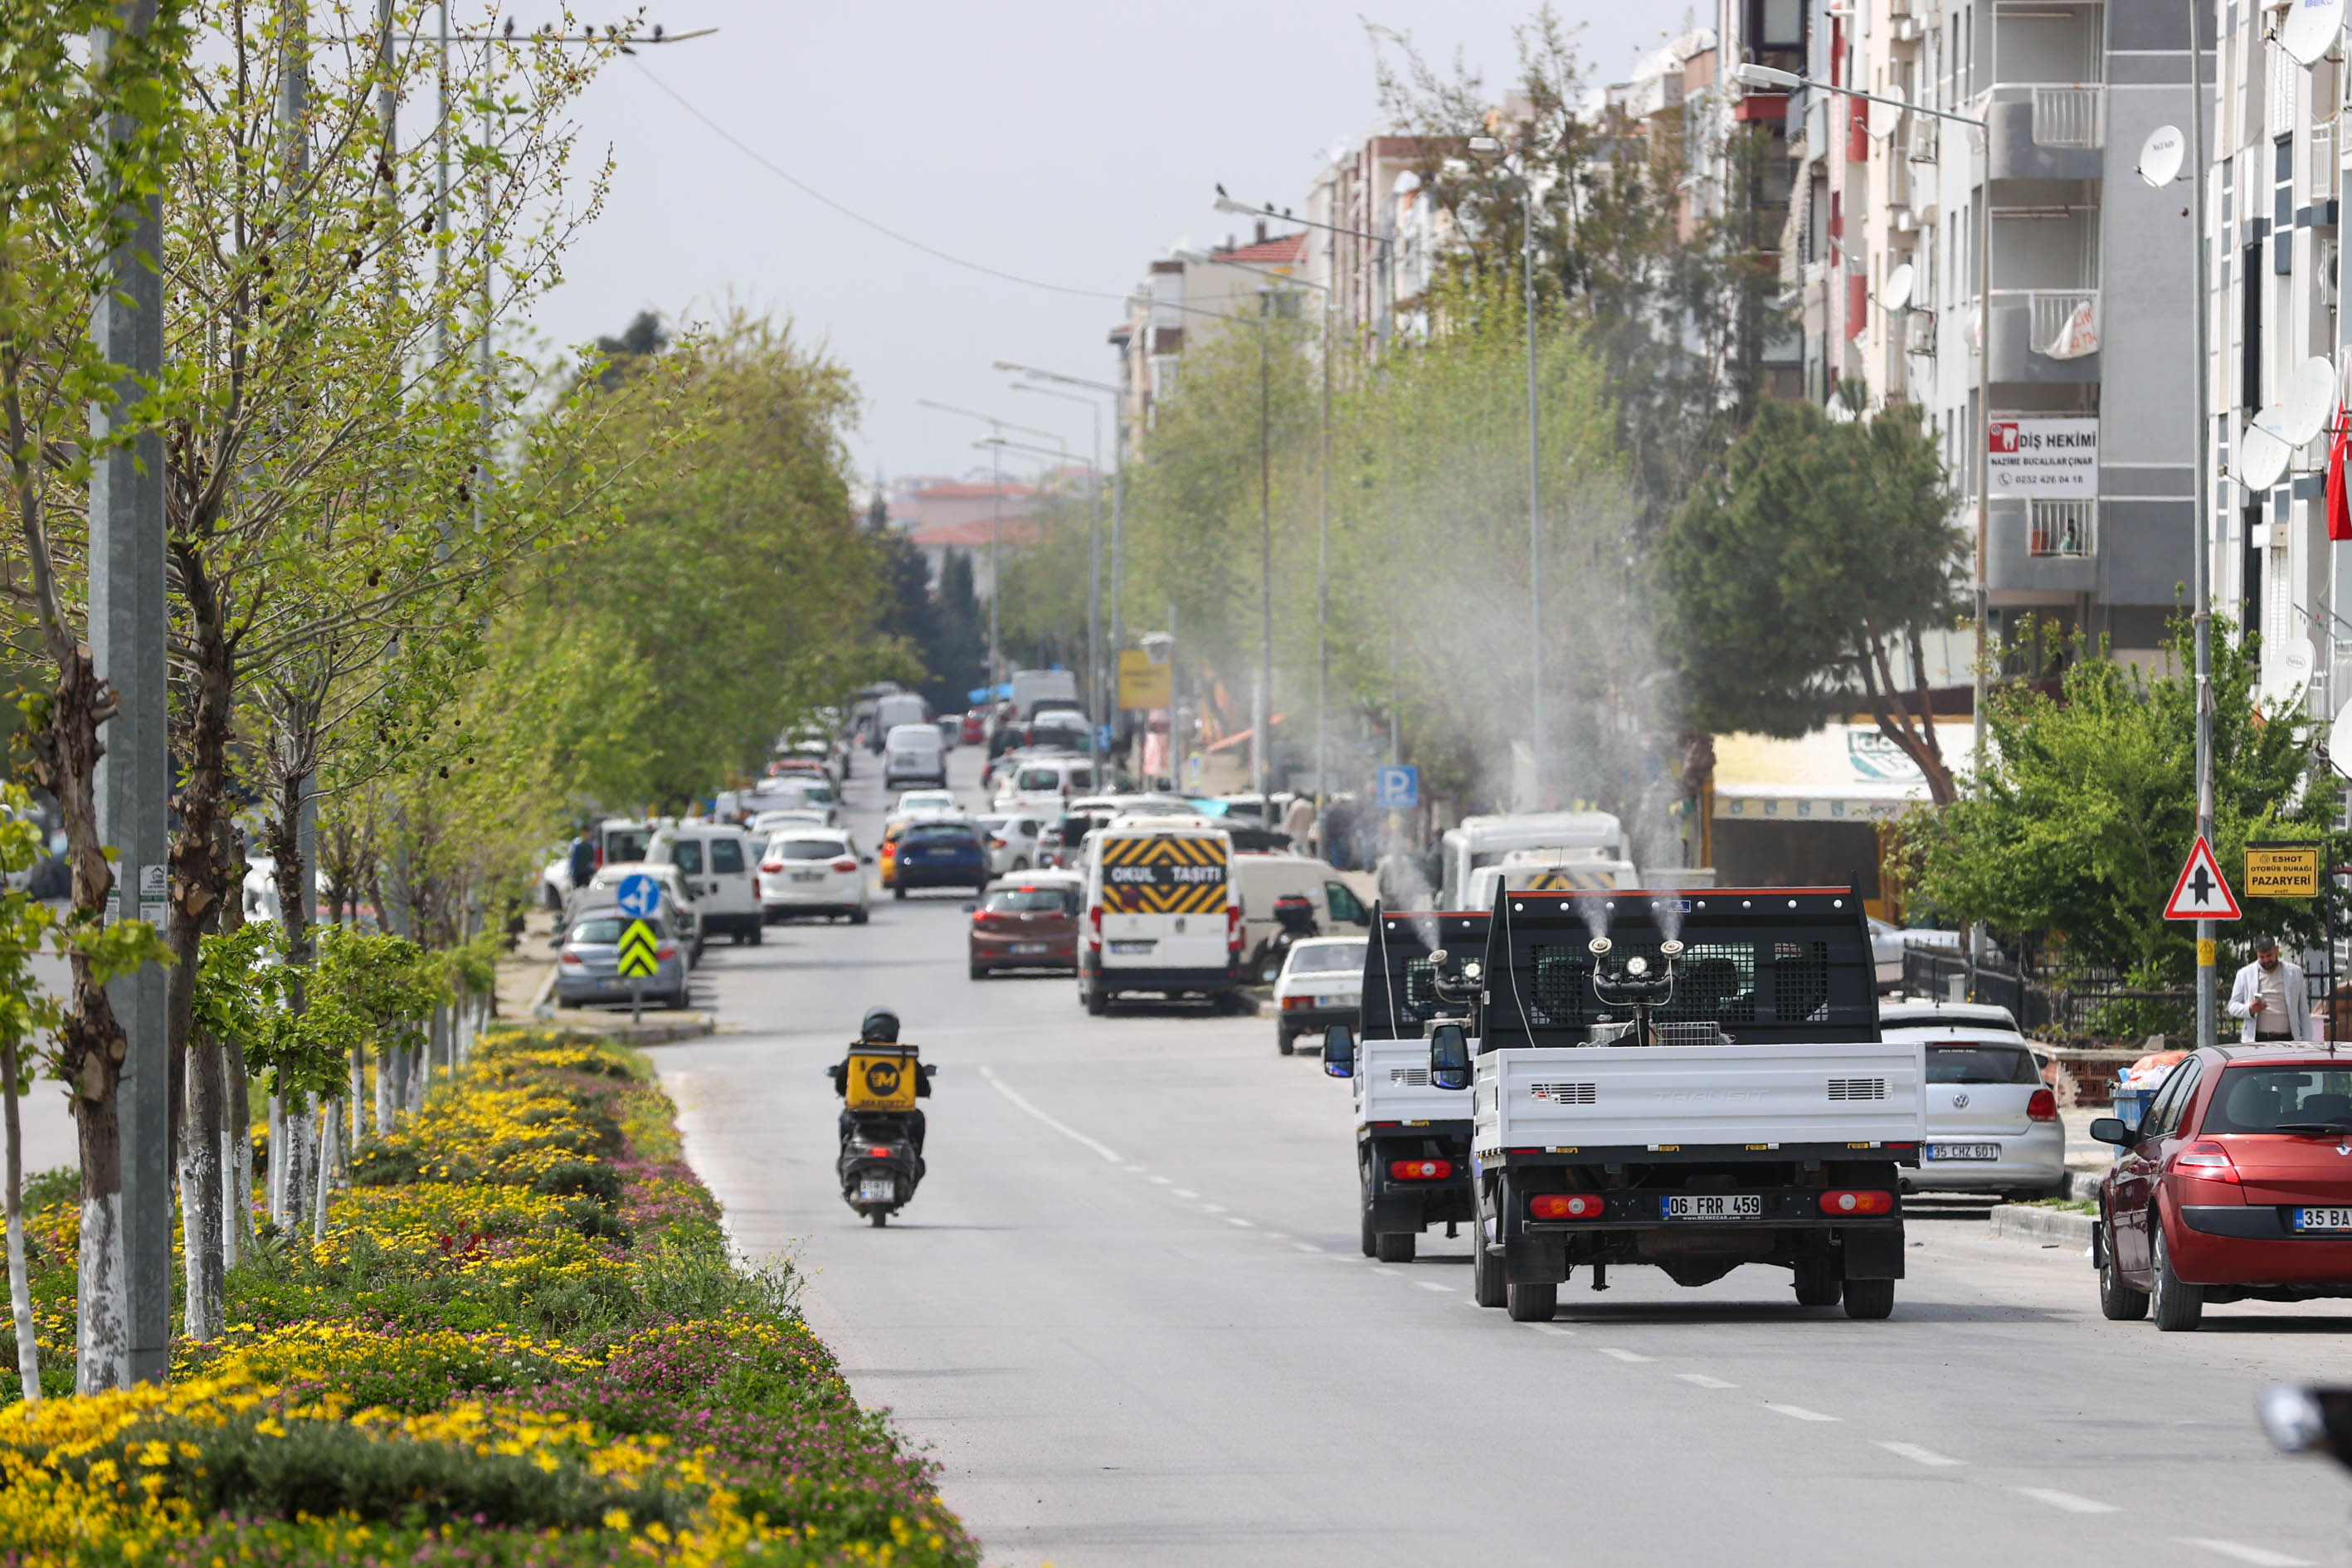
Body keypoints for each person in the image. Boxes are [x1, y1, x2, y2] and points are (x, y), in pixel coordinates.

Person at [830, 1006, 933, 1155]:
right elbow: (924, 1088)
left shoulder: (858, 1056)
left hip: (861, 1116)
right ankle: (916, 1158)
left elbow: (840, 1085)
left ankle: (844, 1156)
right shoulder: (905, 1057)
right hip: (899, 1118)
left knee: (845, 1118)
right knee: (918, 1119)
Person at [2228, 935, 2309, 1043]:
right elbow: (2232, 1006)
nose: (2266, 960)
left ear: (2276, 950)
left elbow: (2303, 1010)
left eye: (2269, 955)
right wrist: (2250, 1010)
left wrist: (2308, 1042)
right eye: (2262, 957)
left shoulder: (2295, 973)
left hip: (2288, 1039)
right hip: (2257, 1040)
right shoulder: (2245, 974)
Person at [566, 825, 596, 894]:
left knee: (587, 891)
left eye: (587, 833)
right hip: (577, 872)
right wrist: (569, 870)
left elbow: (594, 858)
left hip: (587, 873)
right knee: (577, 891)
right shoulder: (575, 843)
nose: (586, 834)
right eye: (584, 832)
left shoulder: (592, 843)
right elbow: (570, 857)